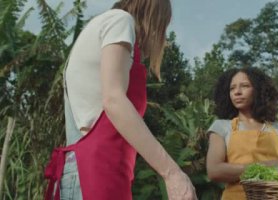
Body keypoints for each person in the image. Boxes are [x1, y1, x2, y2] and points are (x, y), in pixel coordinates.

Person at [44, 0, 197, 200]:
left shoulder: (100, 28)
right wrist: (172, 173)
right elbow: (114, 100)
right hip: (94, 174)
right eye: (162, 26)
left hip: (92, 172)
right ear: (154, 15)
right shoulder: (120, 21)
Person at [206, 67, 278, 200]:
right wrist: (269, 166)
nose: (237, 92)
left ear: (258, 90)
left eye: (244, 86)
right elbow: (214, 171)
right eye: (232, 88)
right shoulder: (222, 127)